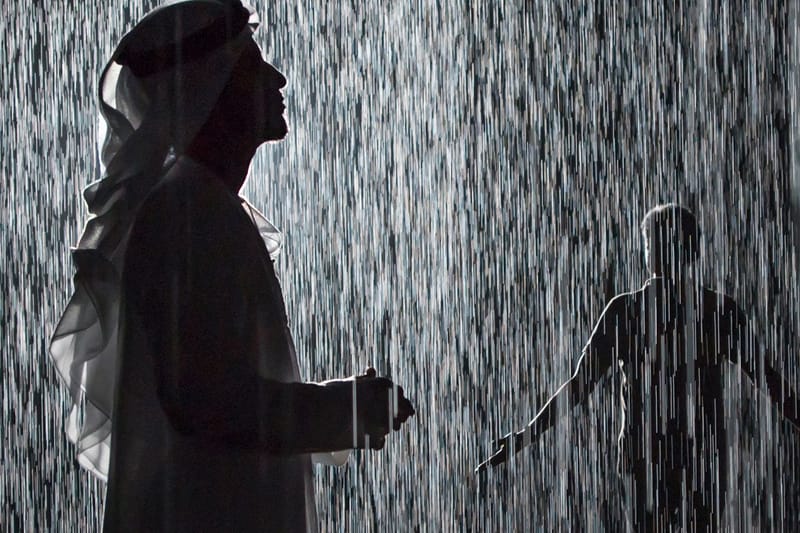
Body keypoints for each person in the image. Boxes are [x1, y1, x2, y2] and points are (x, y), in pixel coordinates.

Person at [49, 2, 414, 531]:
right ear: (210, 90)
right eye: (252, 67)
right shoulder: (185, 215)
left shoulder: (203, 208)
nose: (278, 77)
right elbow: (207, 402)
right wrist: (342, 410)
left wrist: (343, 408)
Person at [477, 204, 800, 531]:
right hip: (701, 454)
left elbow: (579, 386)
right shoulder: (717, 311)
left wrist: (524, 436)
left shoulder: (627, 310)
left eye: (653, 242)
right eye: (653, 242)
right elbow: (769, 380)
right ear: (695, 250)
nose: (654, 249)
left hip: (647, 456)